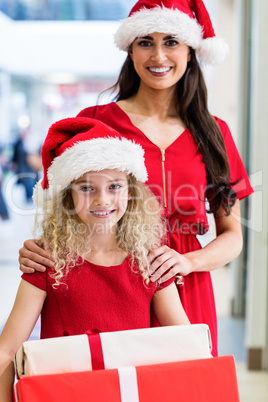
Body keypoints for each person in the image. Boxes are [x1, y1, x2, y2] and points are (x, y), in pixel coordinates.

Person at [18, 0, 253, 357]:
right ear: (130, 50)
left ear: (191, 50)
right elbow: (64, 209)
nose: (158, 56)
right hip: (112, 287)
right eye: (145, 42)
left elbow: (233, 236)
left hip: (186, 289)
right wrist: (37, 249)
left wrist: (188, 261)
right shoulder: (97, 122)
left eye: (171, 41)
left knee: (187, 383)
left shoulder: (214, 133)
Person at [0, 117, 190, 402]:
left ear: (131, 193)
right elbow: (6, 351)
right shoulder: (48, 261)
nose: (102, 200)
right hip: (64, 394)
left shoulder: (149, 262)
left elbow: (186, 345)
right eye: (87, 188)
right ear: (67, 197)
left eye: (114, 187)